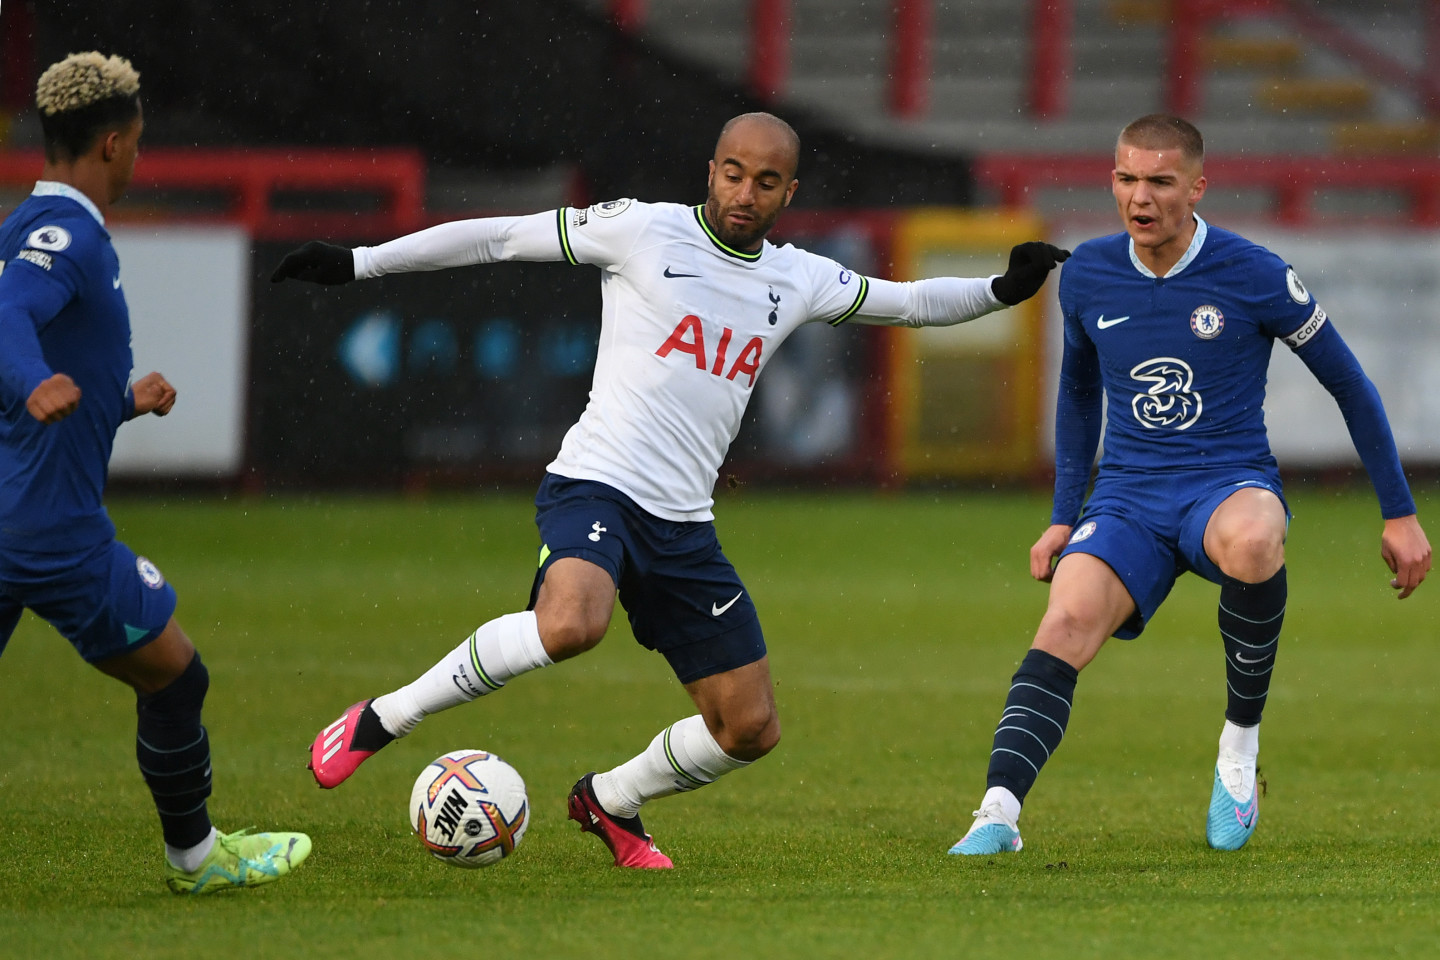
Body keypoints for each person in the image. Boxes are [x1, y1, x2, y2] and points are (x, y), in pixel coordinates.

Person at [272, 111, 1068, 868]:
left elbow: (910, 304)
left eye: (765, 182)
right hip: (595, 485)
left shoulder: (798, 278)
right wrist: (360, 261)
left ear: (789, 193)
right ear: (710, 172)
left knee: (749, 727)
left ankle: (612, 800)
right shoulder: (644, 228)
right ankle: (384, 717)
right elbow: (502, 238)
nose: (743, 194)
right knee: (572, 623)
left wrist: (1003, 290)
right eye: (732, 174)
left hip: (685, 525)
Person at [950, 113, 1431, 857]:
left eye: (1159, 182)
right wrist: (1060, 517)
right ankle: (997, 814)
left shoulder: (1257, 274)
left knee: (1256, 537)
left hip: (1225, 482)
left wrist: (1399, 513)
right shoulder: (1086, 274)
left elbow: (1350, 384)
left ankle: (1237, 754)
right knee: (1065, 622)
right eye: (1126, 178)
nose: (1139, 197)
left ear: (1198, 187)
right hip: (1127, 496)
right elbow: (1079, 398)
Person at [0, 52, 311, 893]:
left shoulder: (27, 227)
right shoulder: (64, 237)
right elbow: (8, 323)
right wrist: (33, 382)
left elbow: (38, 355)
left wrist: (116, 399)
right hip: (49, 531)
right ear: (110, 144)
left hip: (13, 507)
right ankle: (197, 861)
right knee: (177, 673)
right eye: (136, 144)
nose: (138, 159)